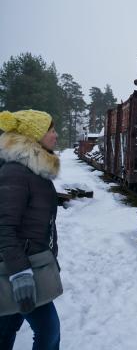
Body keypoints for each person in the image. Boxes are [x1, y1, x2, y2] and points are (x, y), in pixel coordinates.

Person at [0, 110, 61, 350]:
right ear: (34, 135)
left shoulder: (32, 169)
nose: (56, 135)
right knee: (49, 333)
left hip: (28, 262)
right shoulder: (16, 172)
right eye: (51, 130)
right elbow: (3, 226)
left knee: (5, 330)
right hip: (23, 269)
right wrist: (20, 274)